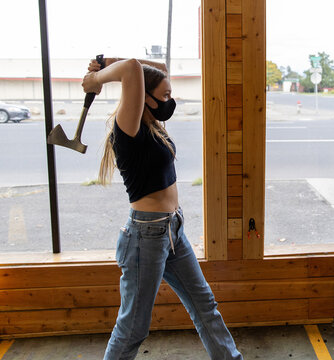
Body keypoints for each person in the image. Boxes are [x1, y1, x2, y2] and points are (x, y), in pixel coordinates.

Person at [82, 58, 243, 360]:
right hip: (146, 235)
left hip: (173, 230)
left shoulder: (151, 124)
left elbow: (155, 67)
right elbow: (132, 69)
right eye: (166, 96)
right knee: (133, 326)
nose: (170, 102)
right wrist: (97, 80)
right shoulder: (127, 129)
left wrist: (104, 62)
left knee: (204, 304)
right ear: (142, 95)